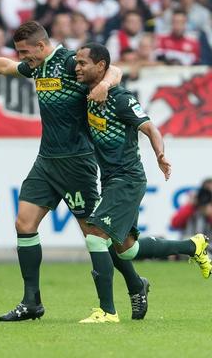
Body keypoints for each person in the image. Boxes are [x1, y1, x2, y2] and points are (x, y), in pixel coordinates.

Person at [0, 21, 149, 322]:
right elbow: (6, 66)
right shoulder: (37, 68)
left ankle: (135, 284)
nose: (22, 57)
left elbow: (115, 70)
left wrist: (103, 86)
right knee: (24, 223)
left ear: (41, 47)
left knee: (95, 236)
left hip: (77, 162)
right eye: (19, 51)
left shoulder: (72, 62)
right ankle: (31, 302)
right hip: (46, 161)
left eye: (25, 51)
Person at [75, 43, 211, 323]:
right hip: (111, 179)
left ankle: (107, 312)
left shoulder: (121, 99)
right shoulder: (86, 91)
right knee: (128, 249)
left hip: (127, 179)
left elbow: (150, 127)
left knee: (95, 237)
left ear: (100, 67)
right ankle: (193, 246)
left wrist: (160, 153)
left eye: (82, 63)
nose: (76, 67)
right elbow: (115, 69)